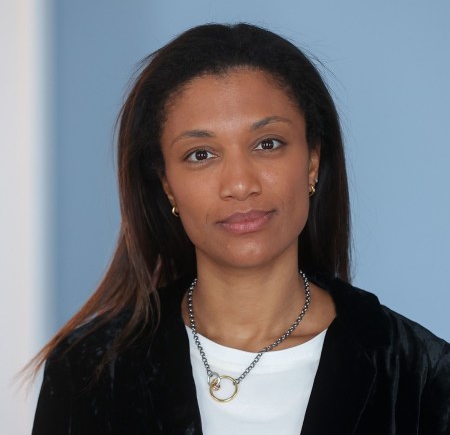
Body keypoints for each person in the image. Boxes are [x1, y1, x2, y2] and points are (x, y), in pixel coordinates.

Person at [31, 23, 449, 435]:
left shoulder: (422, 376)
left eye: (267, 144)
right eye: (201, 154)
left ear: (312, 162)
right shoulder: (88, 370)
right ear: (167, 184)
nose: (240, 184)